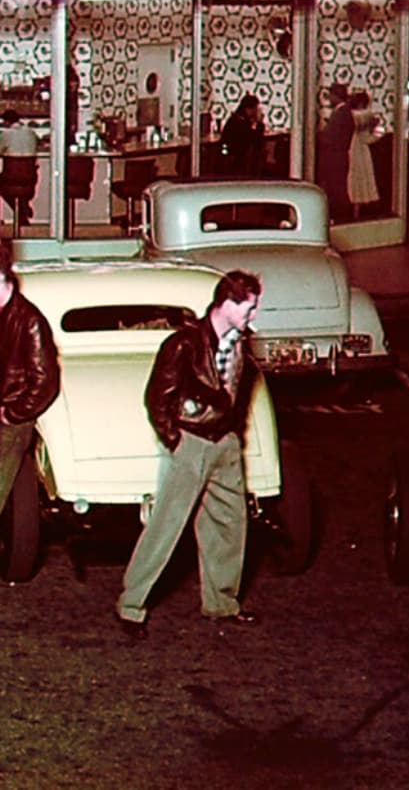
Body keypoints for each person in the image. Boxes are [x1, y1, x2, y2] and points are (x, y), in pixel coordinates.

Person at [115, 269, 264, 638]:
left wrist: (233, 436)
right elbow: (157, 398)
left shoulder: (238, 341)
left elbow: (234, 392)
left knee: (230, 525)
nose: (254, 317)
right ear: (226, 304)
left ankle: (222, 602)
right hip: (191, 443)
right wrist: (175, 439)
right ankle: (131, 606)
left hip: (224, 443)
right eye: (249, 308)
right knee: (166, 526)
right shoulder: (182, 344)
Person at [0, 244, 60, 571]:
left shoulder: (28, 320)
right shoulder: (3, 316)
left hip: (9, 425)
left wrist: (14, 412)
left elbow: (45, 381)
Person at [0, 110, 39, 226]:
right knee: (21, 188)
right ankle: (23, 208)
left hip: (11, 175)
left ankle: (20, 210)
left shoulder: (6, 134)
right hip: (30, 174)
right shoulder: (31, 133)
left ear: (6, 122)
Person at [346, 90, 385, 217]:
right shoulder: (365, 116)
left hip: (349, 150)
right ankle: (358, 214)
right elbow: (367, 138)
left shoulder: (348, 115)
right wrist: (379, 132)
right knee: (361, 182)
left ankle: (352, 213)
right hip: (361, 152)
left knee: (352, 182)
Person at [319, 83, 353, 220]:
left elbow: (333, 137)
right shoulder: (342, 112)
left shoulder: (341, 113)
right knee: (336, 188)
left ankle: (341, 218)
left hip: (336, 157)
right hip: (337, 157)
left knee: (337, 189)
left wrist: (319, 136)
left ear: (335, 96)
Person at [218, 94, 266, 178]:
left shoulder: (236, 119)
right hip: (236, 162)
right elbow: (256, 142)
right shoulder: (240, 123)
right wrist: (259, 123)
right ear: (249, 109)